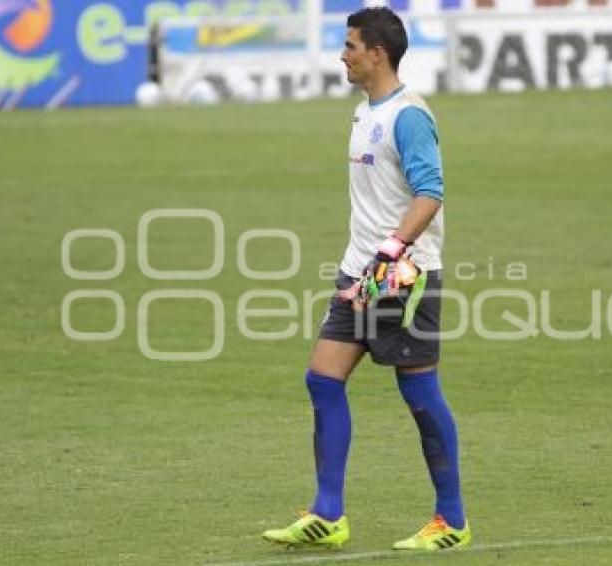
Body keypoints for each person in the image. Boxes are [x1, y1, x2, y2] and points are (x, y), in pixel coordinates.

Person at [262, 7, 470, 551]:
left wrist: (393, 251)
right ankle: (328, 514)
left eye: (351, 45)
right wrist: (366, 262)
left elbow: (431, 194)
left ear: (377, 53)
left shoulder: (409, 116)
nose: (343, 54)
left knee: (419, 391)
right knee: (322, 378)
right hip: (361, 271)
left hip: (403, 274)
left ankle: (451, 520)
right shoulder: (364, 111)